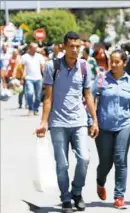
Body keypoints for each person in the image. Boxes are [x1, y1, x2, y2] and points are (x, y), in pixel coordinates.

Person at [35, 31, 99, 213]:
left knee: (84, 159)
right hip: (57, 123)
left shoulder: (85, 66)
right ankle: (65, 198)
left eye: (78, 46)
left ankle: (76, 192)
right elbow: (48, 98)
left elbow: (88, 95)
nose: (75, 49)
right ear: (64, 47)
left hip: (78, 121)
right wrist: (43, 122)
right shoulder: (52, 66)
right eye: (71, 46)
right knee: (62, 164)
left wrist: (94, 120)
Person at [93, 49, 130, 209]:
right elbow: (90, 98)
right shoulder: (101, 79)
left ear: (124, 63)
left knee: (120, 160)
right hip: (104, 126)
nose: (113, 64)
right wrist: (91, 121)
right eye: (111, 61)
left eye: (117, 62)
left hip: (124, 125)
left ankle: (119, 196)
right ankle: (100, 181)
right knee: (106, 162)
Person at [21, 42, 45, 115]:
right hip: (29, 78)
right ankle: (30, 108)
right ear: (30, 48)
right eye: (34, 48)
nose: (35, 50)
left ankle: (36, 108)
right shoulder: (25, 57)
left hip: (38, 78)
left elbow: (42, 67)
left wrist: (45, 76)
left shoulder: (39, 56)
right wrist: (23, 77)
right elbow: (22, 67)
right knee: (30, 93)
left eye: (36, 48)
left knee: (38, 95)